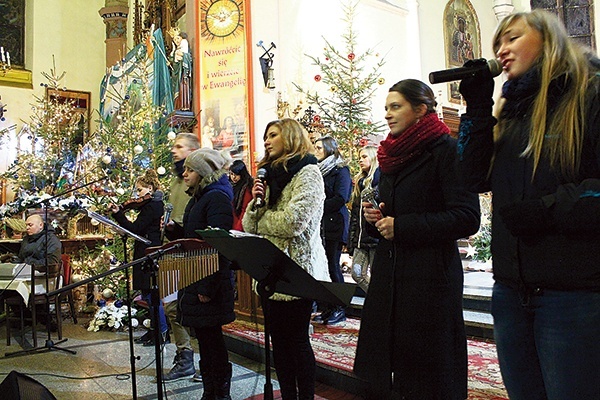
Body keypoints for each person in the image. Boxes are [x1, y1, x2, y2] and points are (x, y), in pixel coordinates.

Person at [457, 10, 600, 400]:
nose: (501, 50)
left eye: (512, 38)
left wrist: (548, 210)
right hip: (510, 292)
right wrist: (476, 110)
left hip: (573, 294)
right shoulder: (512, 107)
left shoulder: (590, 92)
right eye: (497, 43)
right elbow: (471, 178)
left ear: (549, 39)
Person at [353, 79, 480, 399]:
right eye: (386, 108)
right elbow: (395, 213)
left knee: (428, 376)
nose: (387, 114)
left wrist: (403, 227)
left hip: (429, 279)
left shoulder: (447, 150)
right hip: (391, 276)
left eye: (396, 106)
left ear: (421, 109)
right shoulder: (392, 155)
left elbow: (467, 217)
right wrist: (377, 220)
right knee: (391, 371)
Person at [242, 118, 330, 400]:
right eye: (265, 135)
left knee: (297, 342)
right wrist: (257, 204)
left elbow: (294, 223)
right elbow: (247, 224)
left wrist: (262, 218)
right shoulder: (268, 175)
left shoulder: (308, 172)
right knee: (278, 344)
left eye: (273, 135)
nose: (266, 141)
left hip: (298, 271)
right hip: (270, 272)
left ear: (290, 137)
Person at [165, 148, 236, 400]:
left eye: (190, 169)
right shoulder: (200, 197)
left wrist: (207, 288)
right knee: (205, 343)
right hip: (197, 276)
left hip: (208, 281)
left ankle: (220, 394)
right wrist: (175, 230)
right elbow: (195, 237)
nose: (184, 174)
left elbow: (219, 244)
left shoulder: (216, 197)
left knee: (212, 343)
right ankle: (210, 392)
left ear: (203, 172)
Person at [110, 169, 168, 347]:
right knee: (147, 294)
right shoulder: (149, 205)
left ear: (150, 188)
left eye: (140, 190)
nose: (137, 195)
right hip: (144, 250)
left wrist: (118, 214)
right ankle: (153, 331)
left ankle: (161, 332)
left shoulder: (153, 206)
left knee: (152, 295)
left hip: (148, 251)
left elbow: (135, 229)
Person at [162, 132, 201, 382]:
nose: (174, 150)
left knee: (196, 309)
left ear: (194, 151)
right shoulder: (175, 180)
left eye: (179, 146)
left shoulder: (200, 180)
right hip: (168, 249)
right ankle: (184, 356)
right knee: (170, 305)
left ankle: (209, 364)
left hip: (190, 251)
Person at [312, 136, 351, 325]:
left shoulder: (340, 170)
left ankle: (339, 308)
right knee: (323, 267)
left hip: (335, 223)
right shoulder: (319, 170)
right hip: (321, 224)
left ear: (329, 149)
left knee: (333, 267)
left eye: (319, 147)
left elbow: (341, 197)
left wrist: (318, 207)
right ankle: (327, 307)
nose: (316, 150)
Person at [348, 145, 380, 293]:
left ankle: (379, 303)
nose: (360, 160)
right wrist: (352, 241)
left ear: (373, 158)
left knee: (377, 276)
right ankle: (378, 299)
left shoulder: (378, 181)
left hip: (374, 240)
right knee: (357, 273)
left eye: (364, 157)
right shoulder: (359, 183)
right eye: (359, 157)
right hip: (360, 240)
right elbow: (355, 216)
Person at [228, 159, 253, 231]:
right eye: (231, 174)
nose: (233, 177)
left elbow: (245, 209)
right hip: (233, 224)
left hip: (240, 226)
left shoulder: (246, 187)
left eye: (236, 174)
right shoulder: (231, 186)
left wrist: (238, 229)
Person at [170, 30, 192, 111]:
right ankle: (178, 106)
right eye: (175, 40)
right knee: (178, 89)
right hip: (178, 74)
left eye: (178, 38)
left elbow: (188, 58)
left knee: (183, 88)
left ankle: (184, 105)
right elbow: (175, 66)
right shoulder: (176, 50)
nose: (176, 41)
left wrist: (182, 55)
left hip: (183, 74)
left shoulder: (185, 46)